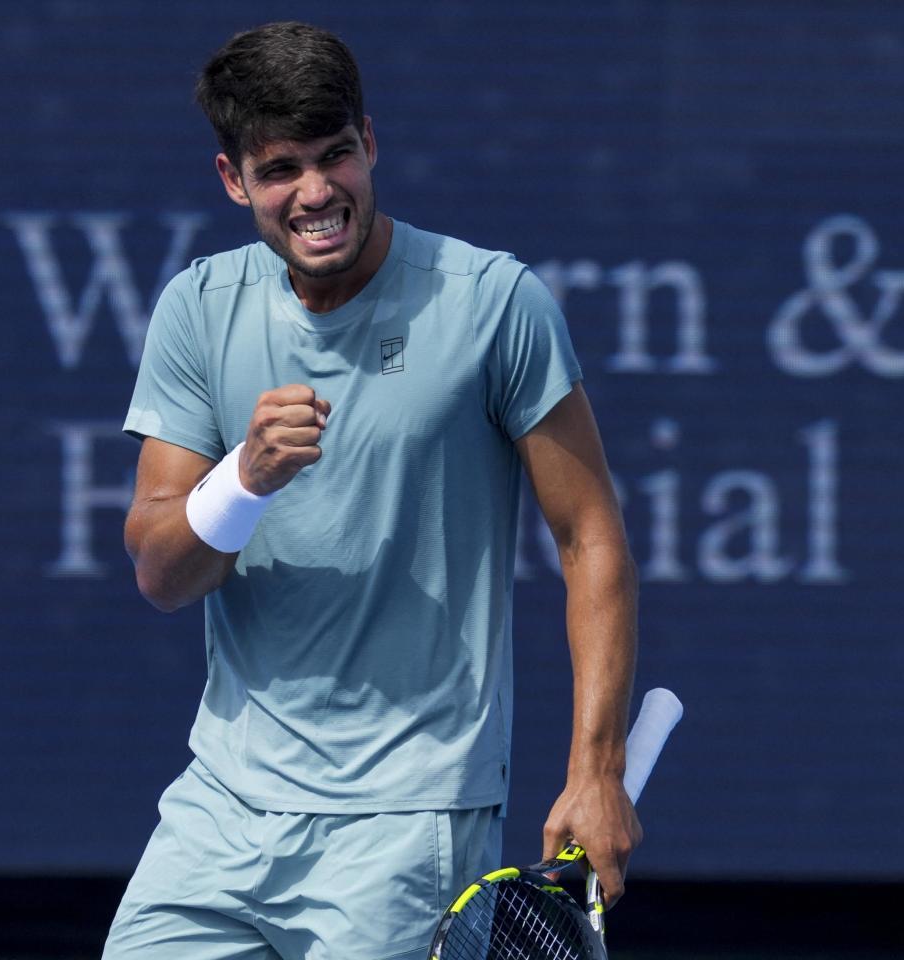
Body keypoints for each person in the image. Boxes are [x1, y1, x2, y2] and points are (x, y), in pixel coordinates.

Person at [105, 20, 640, 960]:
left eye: (335, 156)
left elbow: (591, 538)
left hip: (410, 823)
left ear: (370, 144)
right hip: (221, 810)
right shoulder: (196, 307)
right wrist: (245, 477)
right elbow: (161, 572)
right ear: (233, 181)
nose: (316, 194)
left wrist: (596, 769)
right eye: (280, 170)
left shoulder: (493, 303)